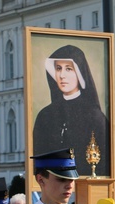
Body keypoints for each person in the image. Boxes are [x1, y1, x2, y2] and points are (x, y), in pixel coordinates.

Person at [33, 45, 110, 177]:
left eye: (69, 69)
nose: (62, 75)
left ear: (79, 73)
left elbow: (104, 165)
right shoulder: (44, 116)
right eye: (58, 69)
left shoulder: (95, 117)